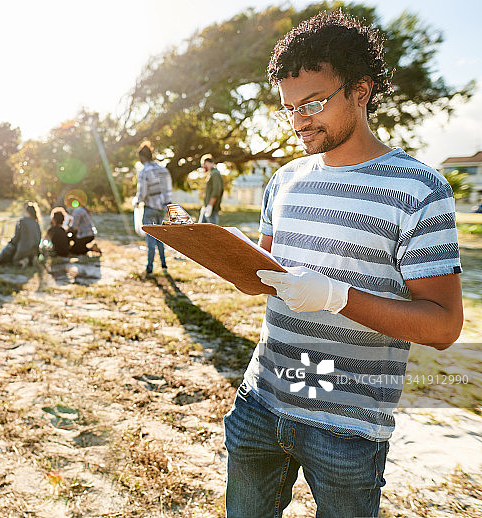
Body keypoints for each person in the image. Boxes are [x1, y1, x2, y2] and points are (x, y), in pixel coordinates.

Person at [223, 11, 463, 517]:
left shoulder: (419, 189)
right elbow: (263, 273)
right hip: (259, 403)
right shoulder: (283, 180)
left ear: (360, 89)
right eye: (289, 108)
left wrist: (337, 296)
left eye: (312, 103)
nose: (298, 121)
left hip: (348, 426)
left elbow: (443, 326)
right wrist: (216, 247)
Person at [135, 140, 172, 274]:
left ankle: (149, 267)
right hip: (161, 207)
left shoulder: (144, 171)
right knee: (160, 236)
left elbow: (142, 192)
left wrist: (138, 201)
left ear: (142, 157)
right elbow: (168, 189)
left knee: (150, 236)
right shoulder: (163, 170)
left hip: (150, 206)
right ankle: (163, 264)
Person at [0, 202, 42, 266]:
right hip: (35, 250)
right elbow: (39, 237)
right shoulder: (37, 223)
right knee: (29, 256)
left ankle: (23, 261)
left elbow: (16, 238)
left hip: (23, 249)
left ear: (27, 212)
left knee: (14, 261)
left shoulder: (22, 222)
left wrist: (10, 243)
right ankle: (32, 259)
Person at [198, 154, 223, 224]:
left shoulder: (215, 174)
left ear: (207, 163)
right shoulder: (211, 173)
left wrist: (210, 206)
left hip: (211, 208)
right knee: (199, 230)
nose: (202, 167)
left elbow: (216, 191)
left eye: (203, 164)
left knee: (213, 231)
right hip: (206, 207)